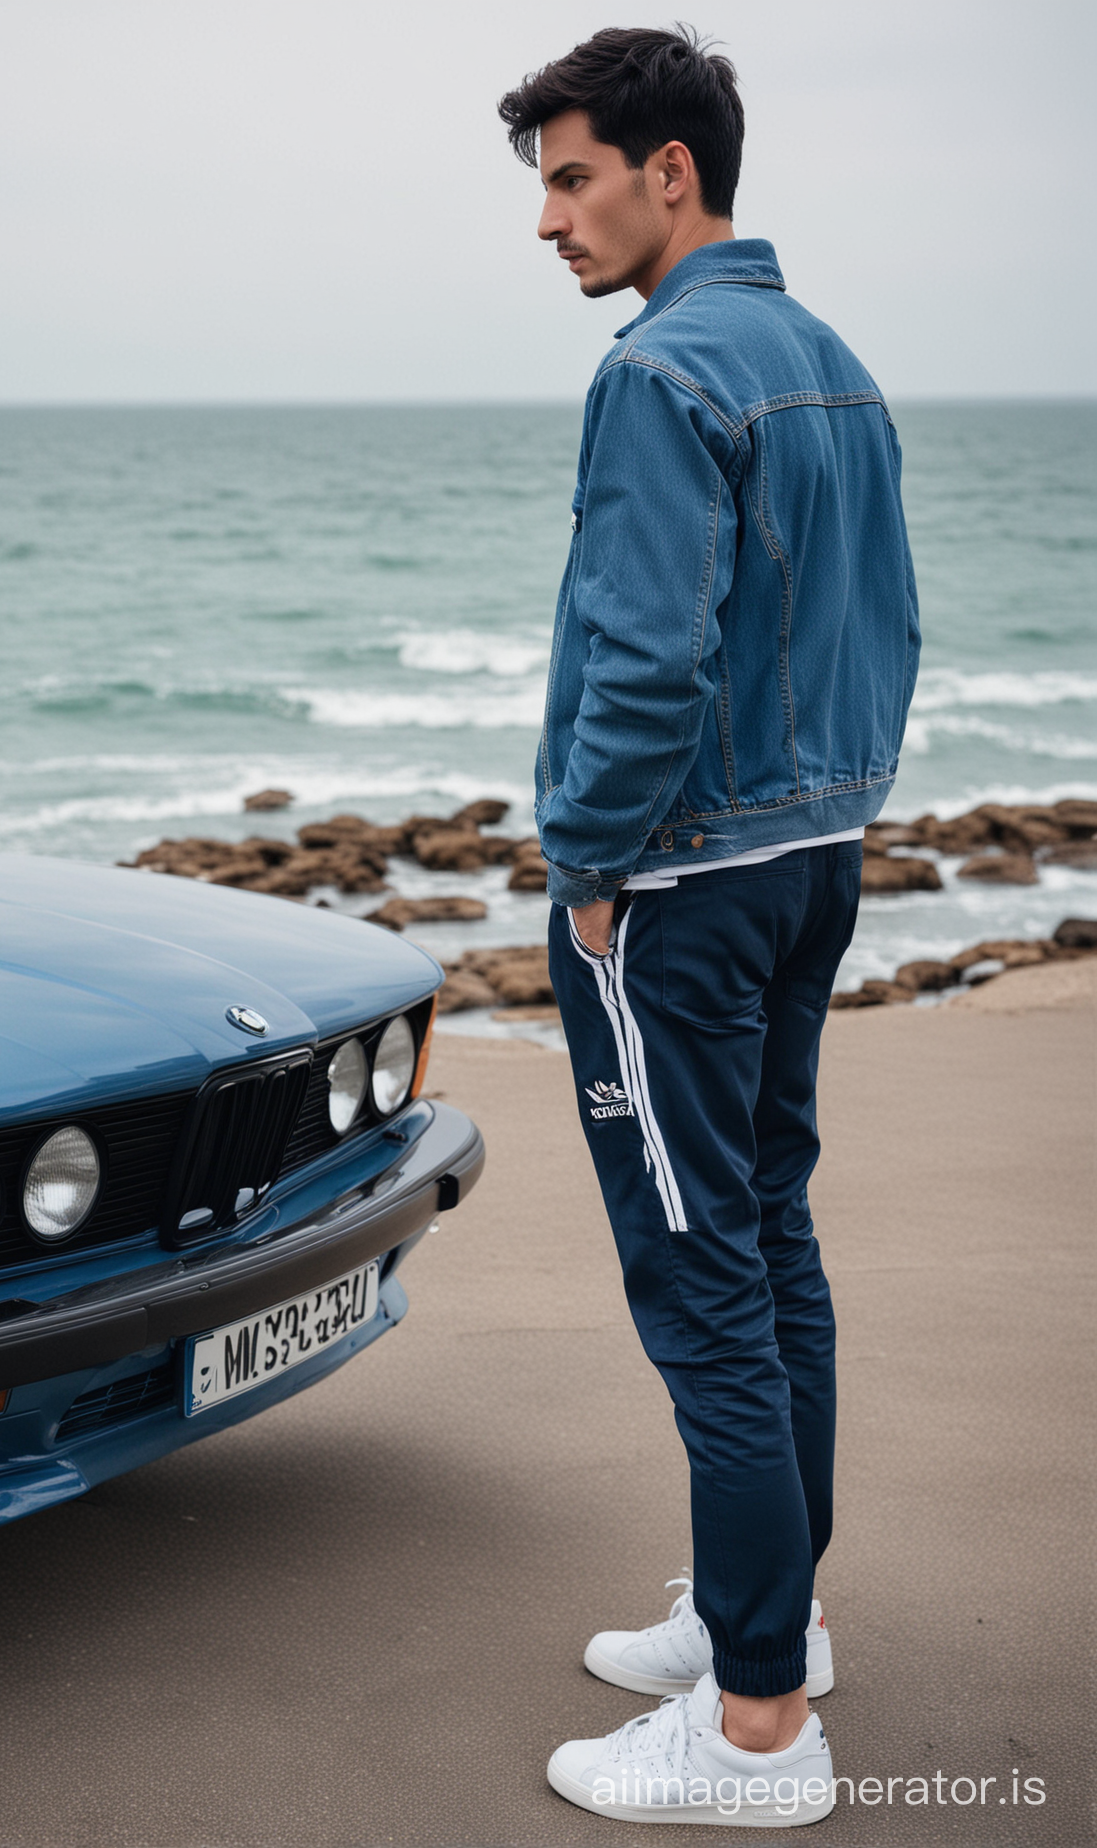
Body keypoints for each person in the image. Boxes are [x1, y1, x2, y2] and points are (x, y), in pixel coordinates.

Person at [497, 25, 919, 1828]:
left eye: (574, 179)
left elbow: (650, 655)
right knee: (767, 1237)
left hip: (672, 889)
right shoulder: (831, 361)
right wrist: (830, 813)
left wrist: (586, 860)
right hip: (808, 863)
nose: (550, 223)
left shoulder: (663, 372)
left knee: (702, 1285)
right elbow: (888, 631)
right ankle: (779, 1622)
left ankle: (758, 1732)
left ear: (675, 172)